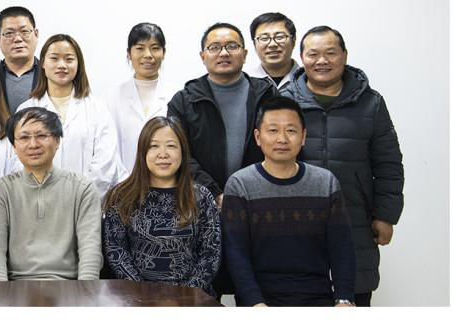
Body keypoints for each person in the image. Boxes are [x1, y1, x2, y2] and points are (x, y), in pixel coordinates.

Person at [280, 26, 403, 306]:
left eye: (330, 53)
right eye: (313, 54)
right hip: (295, 219)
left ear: (344, 56)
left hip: (355, 217)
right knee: (298, 296)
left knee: (354, 294)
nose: (321, 61)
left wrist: (386, 215)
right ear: (302, 58)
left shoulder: (370, 102)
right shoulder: (284, 101)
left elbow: (388, 163)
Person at [166, 22, 277, 298]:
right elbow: (179, 154)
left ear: (245, 53)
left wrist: (244, 193)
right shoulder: (184, 100)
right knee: (202, 295)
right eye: (214, 47)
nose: (223, 53)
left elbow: (279, 147)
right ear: (203, 56)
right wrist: (215, 193)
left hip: (259, 209)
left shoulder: (267, 95)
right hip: (200, 211)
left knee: (257, 293)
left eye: (232, 46)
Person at [222, 96, 356, 307]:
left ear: (303, 137)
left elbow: (342, 248)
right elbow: (236, 253)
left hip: (318, 297)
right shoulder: (240, 185)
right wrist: (254, 302)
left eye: (291, 130)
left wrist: (344, 299)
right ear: (258, 137)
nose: (282, 139)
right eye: (273, 130)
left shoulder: (326, 182)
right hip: (261, 300)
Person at [102, 116, 220, 296]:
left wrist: (185, 296)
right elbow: (116, 251)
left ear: (183, 151)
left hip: (193, 298)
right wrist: (145, 295)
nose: (163, 154)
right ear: (142, 152)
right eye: (154, 146)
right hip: (137, 298)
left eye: (171, 146)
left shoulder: (201, 197)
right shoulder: (122, 197)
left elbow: (211, 253)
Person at [0, 107, 102, 281]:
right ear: (14, 146)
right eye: (24, 137)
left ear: (57, 140)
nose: (33, 144)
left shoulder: (83, 189)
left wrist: (84, 292)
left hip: (70, 286)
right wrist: (1, 295)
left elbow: (90, 250)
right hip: (14, 287)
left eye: (41, 135)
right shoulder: (0, 191)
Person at [17, 34, 125, 198]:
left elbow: (105, 164)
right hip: (38, 203)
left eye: (69, 59)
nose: (62, 65)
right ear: (43, 63)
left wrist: (79, 199)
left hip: (86, 202)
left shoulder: (97, 109)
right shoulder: (26, 110)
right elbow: (18, 161)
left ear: (78, 64)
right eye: (54, 58)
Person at [106, 22, 179, 176]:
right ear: (129, 53)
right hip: (123, 182)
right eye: (140, 48)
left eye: (155, 48)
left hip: (168, 182)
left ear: (164, 53)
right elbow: (106, 149)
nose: (148, 55)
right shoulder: (110, 98)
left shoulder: (177, 96)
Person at [0, 6, 41, 115]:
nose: (18, 39)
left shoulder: (50, 73)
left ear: (36, 34)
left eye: (24, 31)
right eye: (9, 33)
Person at [246, 12, 301, 89]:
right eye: (264, 38)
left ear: (293, 41)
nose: (272, 44)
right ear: (254, 44)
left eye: (279, 37)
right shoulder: (244, 81)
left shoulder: (309, 78)